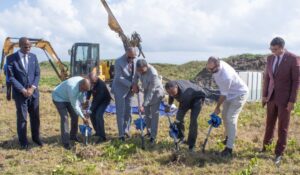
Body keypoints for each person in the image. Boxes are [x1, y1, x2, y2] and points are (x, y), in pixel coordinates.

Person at [261, 37, 300, 165]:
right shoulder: (270, 58)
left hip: (285, 99)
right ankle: (266, 147)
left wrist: (292, 101)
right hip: (271, 97)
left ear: (282, 47)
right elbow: (267, 78)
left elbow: (296, 82)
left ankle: (279, 152)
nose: (273, 52)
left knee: (283, 127)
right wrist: (264, 95)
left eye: (275, 49)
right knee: (269, 124)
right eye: (271, 49)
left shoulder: (293, 58)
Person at [206, 56, 249, 157]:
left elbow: (223, 95)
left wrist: (217, 107)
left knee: (230, 118)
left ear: (218, 64)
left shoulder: (226, 76)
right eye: (208, 68)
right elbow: (224, 93)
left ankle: (229, 148)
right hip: (229, 94)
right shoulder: (216, 68)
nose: (210, 71)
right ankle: (229, 137)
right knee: (224, 116)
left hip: (239, 94)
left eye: (212, 69)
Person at [7, 37, 42, 149]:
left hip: (33, 93)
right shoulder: (11, 58)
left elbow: (37, 74)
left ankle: (36, 138)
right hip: (20, 94)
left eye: (29, 46)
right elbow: (11, 77)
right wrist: (22, 90)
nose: (28, 49)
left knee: (35, 117)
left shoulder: (33, 57)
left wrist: (32, 88)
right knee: (22, 118)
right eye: (25, 46)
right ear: (20, 45)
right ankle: (23, 142)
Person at [165, 80, 214, 151]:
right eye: (169, 93)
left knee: (193, 120)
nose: (172, 95)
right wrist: (169, 105)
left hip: (197, 97)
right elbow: (171, 96)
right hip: (187, 98)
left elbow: (183, 106)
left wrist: (176, 122)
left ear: (176, 87)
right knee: (179, 118)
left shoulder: (184, 93)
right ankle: (181, 137)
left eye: (173, 93)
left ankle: (191, 144)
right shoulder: (171, 86)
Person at [52, 77, 91, 150]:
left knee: (75, 115)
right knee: (65, 118)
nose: (84, 91)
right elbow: (75, 106)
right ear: (81, 86)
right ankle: (66, 142)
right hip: (59, 97)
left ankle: (73, 136)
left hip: (68, 97)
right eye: (84, 90)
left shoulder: (82, 83)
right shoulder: (72, 88)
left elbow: (82, 96)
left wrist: (84, 107)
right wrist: (83, 118)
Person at [132, 59, 165, 145]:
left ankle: (153, 137)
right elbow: (135, 76)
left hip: (156, 92)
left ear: (146, 66)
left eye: (142, 71)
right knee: (147, 114)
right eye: (139, 70)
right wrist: (134, 84)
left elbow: (151, 91)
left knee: (154, 115)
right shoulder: (138, 68)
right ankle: (149, 132)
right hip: (147, 90)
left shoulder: (153, 74)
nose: (140, 72)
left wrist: (144, 104)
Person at [111, 47, 137, 141]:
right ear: (126, 53)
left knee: (129, 111)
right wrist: (131, 85)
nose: (132, 59)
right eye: (130, 57)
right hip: (120, 89)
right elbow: (119, 77)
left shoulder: (135, 60)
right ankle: (121, 134)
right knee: (121, 112)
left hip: (130, 90)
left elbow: (136, 74)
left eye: (133, 57)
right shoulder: (118, 62)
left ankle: (126, 130)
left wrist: (136, 85)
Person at [87, 72, 112, 144]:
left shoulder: (101, 85)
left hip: (104, 100)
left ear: (96, 78)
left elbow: (97, 100)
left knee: (98, 114)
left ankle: (102, 136)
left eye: (93, 82)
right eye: (90, 82)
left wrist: (90, 109)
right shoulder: (91, 82)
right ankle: (97, 132)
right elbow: (89, 91)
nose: (92, 83)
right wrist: (87, 100)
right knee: (92, 115)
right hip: (96, 100)